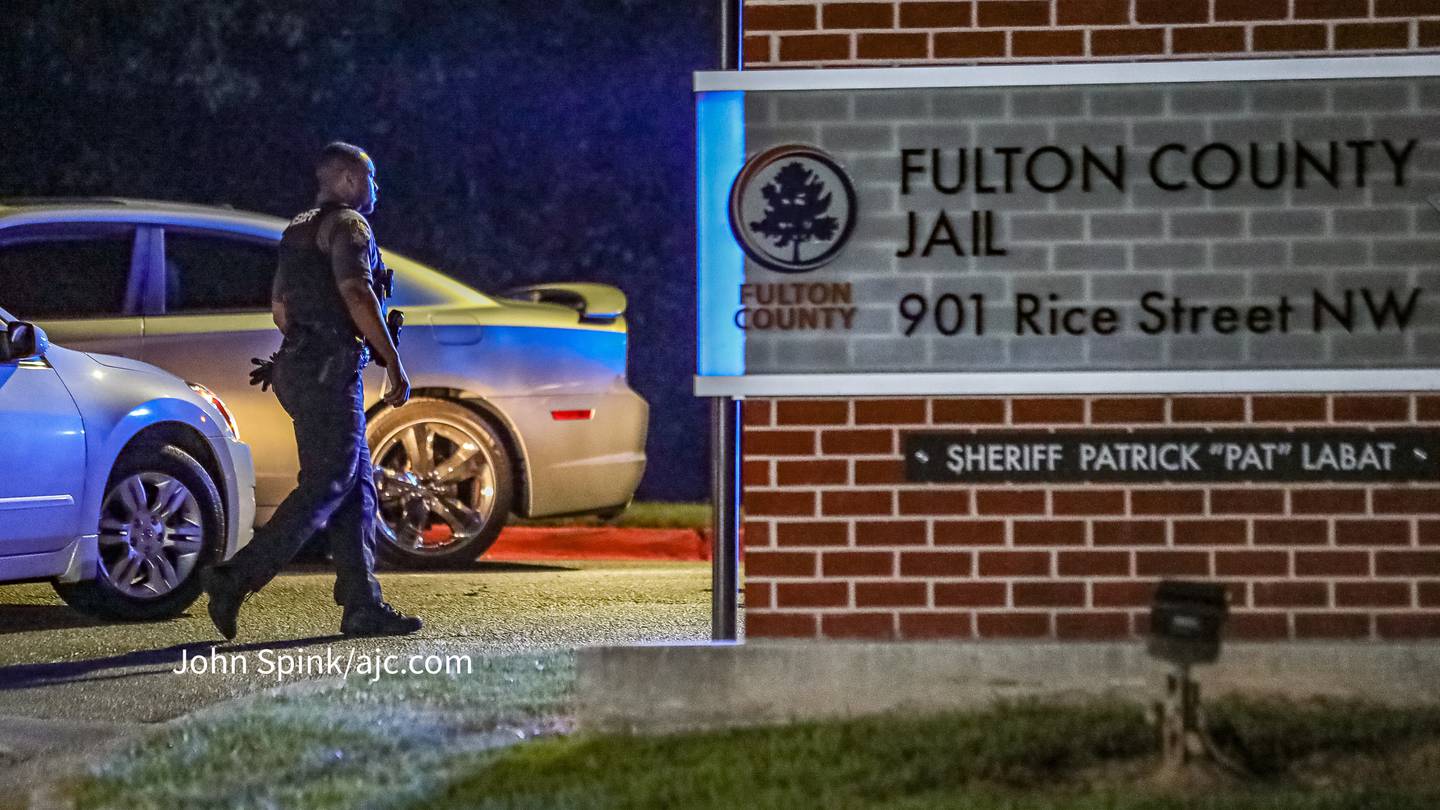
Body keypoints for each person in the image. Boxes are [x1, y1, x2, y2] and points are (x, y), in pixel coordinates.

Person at [204, 142, 421, 640]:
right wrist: (391, 359)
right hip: (328, 370)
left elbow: (280, 307)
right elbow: (357, 291)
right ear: (346, 179)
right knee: (329, 481)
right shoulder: (350, 226)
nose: (376, 189)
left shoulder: (297, 228)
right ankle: (235, 578)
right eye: (371, 178)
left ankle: (363, 604)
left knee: (356, 486)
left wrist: (306, 344)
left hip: (298, 367)